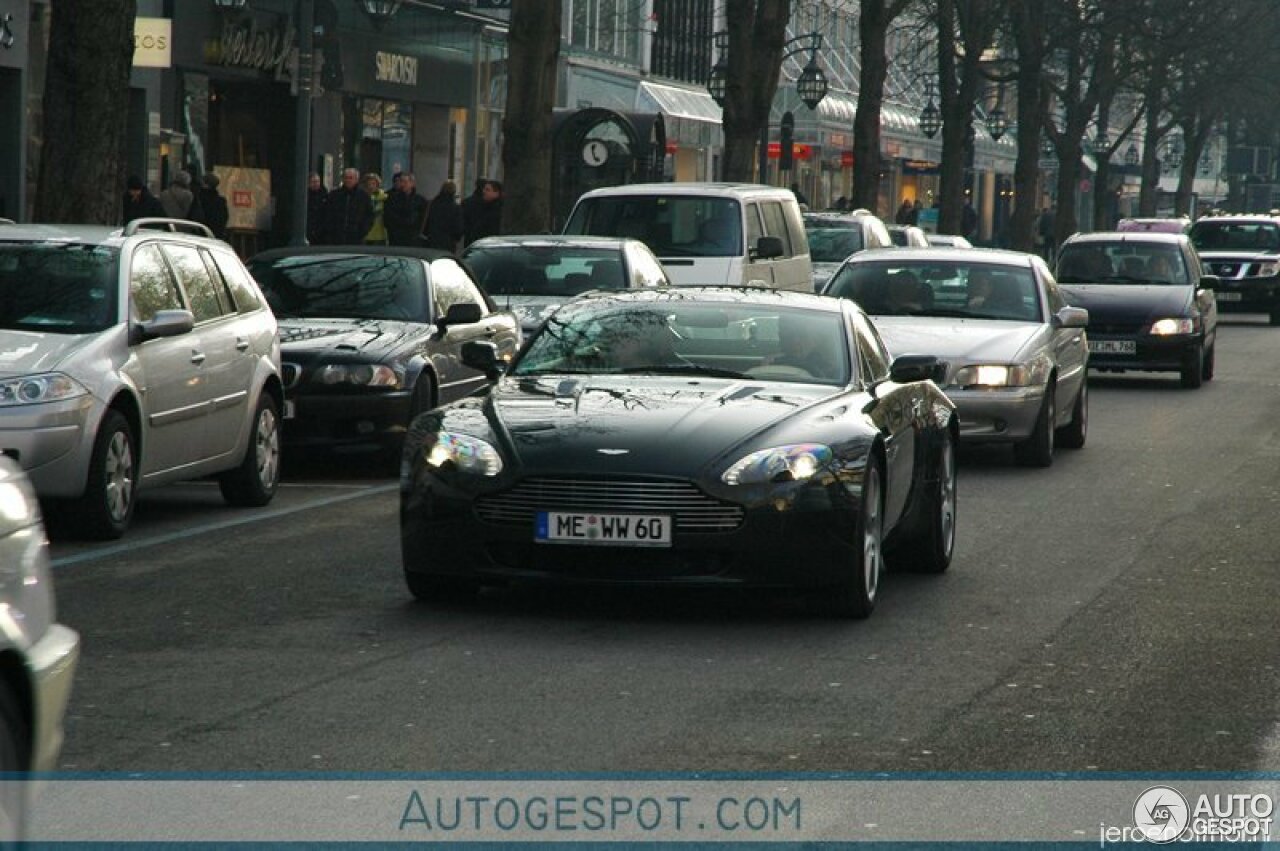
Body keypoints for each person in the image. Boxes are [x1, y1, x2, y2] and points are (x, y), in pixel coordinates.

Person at [768, 314, 836, 378]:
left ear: (815, 340)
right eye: (788, 336)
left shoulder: (826, 366)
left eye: (802, 335)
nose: (796, 341)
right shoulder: (772, 361)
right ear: (780, 337)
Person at [322, 168, 373, 245]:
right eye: (346, 177)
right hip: (335, 237)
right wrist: (330, 229)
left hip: (356, 237)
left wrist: (362, 231)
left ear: (356, 179)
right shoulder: (334, 195)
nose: (348, 180)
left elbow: (369, 215)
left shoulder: (364, 196)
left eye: (351, 178)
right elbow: (327, 213)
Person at [383, 172, 429, 247]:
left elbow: (423, 217)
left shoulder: (420, 200)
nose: (402, 184)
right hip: (396, 237)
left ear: (412, 183)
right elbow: (388, 216)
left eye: (405, 182)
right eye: (401, 181)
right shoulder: (392, 199)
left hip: (413, 237)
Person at [422, 179, 463, 252]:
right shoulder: (455, 208)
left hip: (432, 242)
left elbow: (426, 223)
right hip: (448, 244)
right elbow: (458, 228)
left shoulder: (432, 204)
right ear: (453, 192)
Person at [196, 173, 229, 240]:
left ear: (204, 183)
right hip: (216, 234)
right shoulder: (220, 201)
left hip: (200, 232)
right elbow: (225, 216)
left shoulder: (199, 198)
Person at [362, 173, 388, 245]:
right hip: (365, 234)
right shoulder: (362, 197)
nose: (371, 186)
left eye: (373, 183)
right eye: (368, 184)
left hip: (380, 233)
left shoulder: (384, 197)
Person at [460, 178, 487, 247]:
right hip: (484, 235)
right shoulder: (487, 203)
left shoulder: (467, 202)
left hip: (469, 235)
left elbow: (462, 219)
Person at [306, 173, 328, 245]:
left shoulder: (325, 195)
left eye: (317, 181)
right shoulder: (305, 195)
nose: (316, 184)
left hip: (321, 230)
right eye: (313, 182)